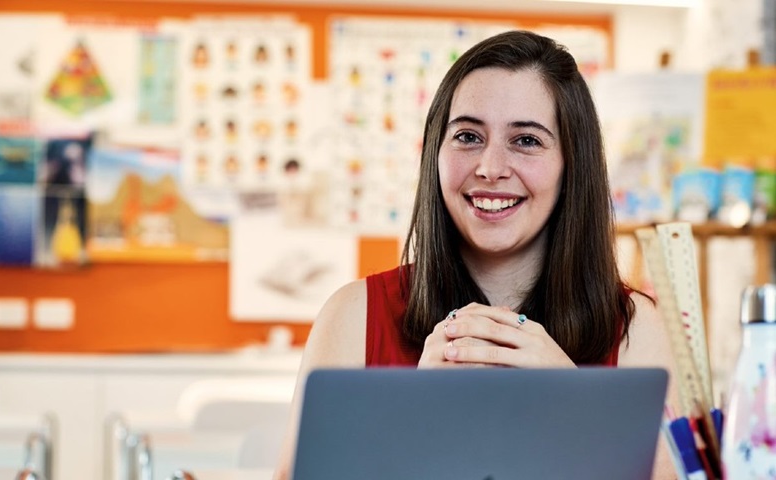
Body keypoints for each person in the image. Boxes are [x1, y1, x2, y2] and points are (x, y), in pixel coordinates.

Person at [273, 30, 679, 480]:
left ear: (572, 163)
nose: (490, 167)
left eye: (526, 140)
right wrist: (412, 417)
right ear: (435, 153)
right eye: (467, 136)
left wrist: (572, 404)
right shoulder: (353, 315)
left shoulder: (634, 328)